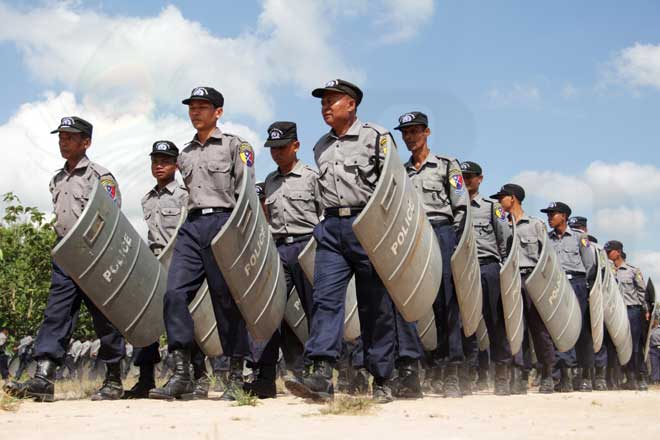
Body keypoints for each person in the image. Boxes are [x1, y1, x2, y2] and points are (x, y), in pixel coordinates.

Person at [285, 79, 397, 403]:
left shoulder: (377, 138)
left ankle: (382, 377)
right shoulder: (320, 146)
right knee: (325, 300)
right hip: (332, 228)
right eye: (323, 103)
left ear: (351, 104)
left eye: (332, 101)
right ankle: (321, 373)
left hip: (368, 226)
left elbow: (392, 186)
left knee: (374, 305)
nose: (325, 107)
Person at [3, 116, 126, 402]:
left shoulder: (101, 177)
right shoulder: (57, 179)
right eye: (61, 137)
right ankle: (43, 378)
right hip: (65, 256)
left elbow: (111, 216)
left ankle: (114, 379)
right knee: (56, 313)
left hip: (95, 256)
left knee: (105, 318)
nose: (63, 141)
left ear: (87, 142)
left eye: (70, 137)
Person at [149, 87, 255, 401]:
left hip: (224, 223)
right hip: (192, 225)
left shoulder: (235, 145)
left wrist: (240, 236)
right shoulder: (185, 154)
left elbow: (246, 193)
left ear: (218, 112)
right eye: (192, 107)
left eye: (203, 107)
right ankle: (182, 371)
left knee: (226, 300)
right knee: (174, 294)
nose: (196, 112)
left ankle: (236, 374)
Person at [396, 111, 468, 398]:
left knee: (447, 304)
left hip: (442, 232)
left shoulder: (447, 165)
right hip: (413, 236)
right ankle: (424, 368)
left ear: (427, 132)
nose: (409, 137)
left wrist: (456, 247)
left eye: (414, 131)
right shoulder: (400, 171)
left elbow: (460, 208)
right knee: (413, 305)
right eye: (405, 133)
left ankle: (452, 370)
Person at [247, 121, 321, 398]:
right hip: (279, 250)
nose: (276, 153)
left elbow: (324, 214)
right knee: (268, 313)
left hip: (308, 247)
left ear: (295, 146)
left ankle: (318, 376)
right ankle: (264, 378)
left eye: (281, 147)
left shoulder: (312, 177)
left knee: (317, 313)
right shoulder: (270, 182)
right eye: (272, 149)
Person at [492, 184, 555, 394]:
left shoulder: (535, 225)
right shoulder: (501, 225)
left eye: (502, 197)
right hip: (510, 280)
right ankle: (520, 374)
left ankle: (547, 374)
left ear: (513, 198)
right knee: (514, 330)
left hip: (532, 279)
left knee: (539, 330)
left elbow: (547, 257)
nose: (499, 201)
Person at [461, 161, 516, 395]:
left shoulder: (493, 208)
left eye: (471, 177)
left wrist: (500, 266)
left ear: (480, 179)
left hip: (488, 267)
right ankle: (468, 374)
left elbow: (505, 238)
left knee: (495, 322)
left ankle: (502, 374)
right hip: (463, 269)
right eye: (463, 177)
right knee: (464, 324)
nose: (466, 181)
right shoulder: (455, 207)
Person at [541, 202, 596, 392]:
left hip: (576, 283)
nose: (549, 218)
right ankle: (563, 374)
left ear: (564, 216)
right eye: (548, 215)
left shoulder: (580, 238)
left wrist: (582, 286)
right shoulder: (546, 239)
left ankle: (582, 374)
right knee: (558, 330)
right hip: (555, 284)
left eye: (553, 214)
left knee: (578, 329)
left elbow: (590, 265)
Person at [568, 216, 608, 391]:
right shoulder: (569, 243)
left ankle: (598, 375)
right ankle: (579, 374)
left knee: (594, 334)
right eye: (573, 227)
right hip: (575, 291)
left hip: (593, 294)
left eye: (578, 227)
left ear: (585, 228)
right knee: (575, 334)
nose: (576, 230)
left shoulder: (598, 249)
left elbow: (603, 275)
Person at [604, 240, 649, 391]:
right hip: (613, 312)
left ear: (617, 252)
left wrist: (641, 309)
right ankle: (613, 379)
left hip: (631, 311)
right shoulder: (606, 271)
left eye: (609, 251)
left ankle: (634, 377)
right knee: (612, 345)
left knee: (634, 346)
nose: (607, 254)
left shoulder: (632, 270)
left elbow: (642, 291)